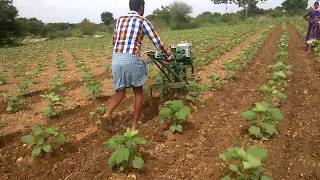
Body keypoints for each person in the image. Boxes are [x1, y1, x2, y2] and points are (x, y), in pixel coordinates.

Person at [102, 0, 172, 129]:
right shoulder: (142, 20)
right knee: (138, 93)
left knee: (120, 92)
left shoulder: (119, 19)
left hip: (116, 59)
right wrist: (168, 54)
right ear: (142, 7)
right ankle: (134, 125)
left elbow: (114, 41)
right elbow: (156, 41)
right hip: (131, 59)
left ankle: (107, 114)